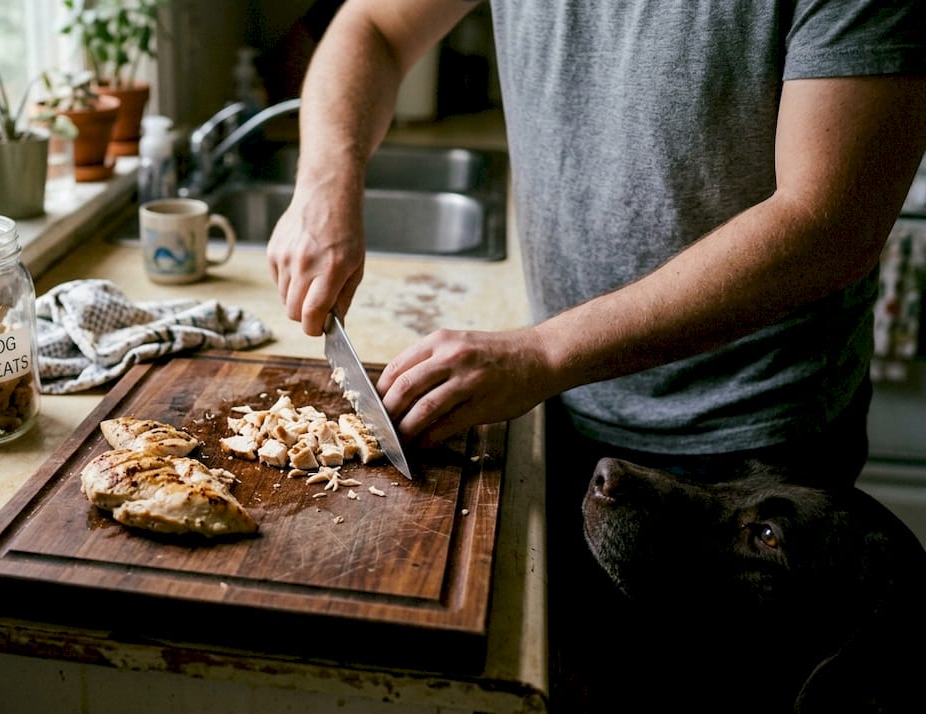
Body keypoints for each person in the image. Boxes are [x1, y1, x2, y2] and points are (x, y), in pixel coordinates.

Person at [266, 0, 926, 709]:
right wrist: (325, 179)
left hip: (754, 462)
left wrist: (546, 351)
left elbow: (827, 223)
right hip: (559, 409)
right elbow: (373, 27)